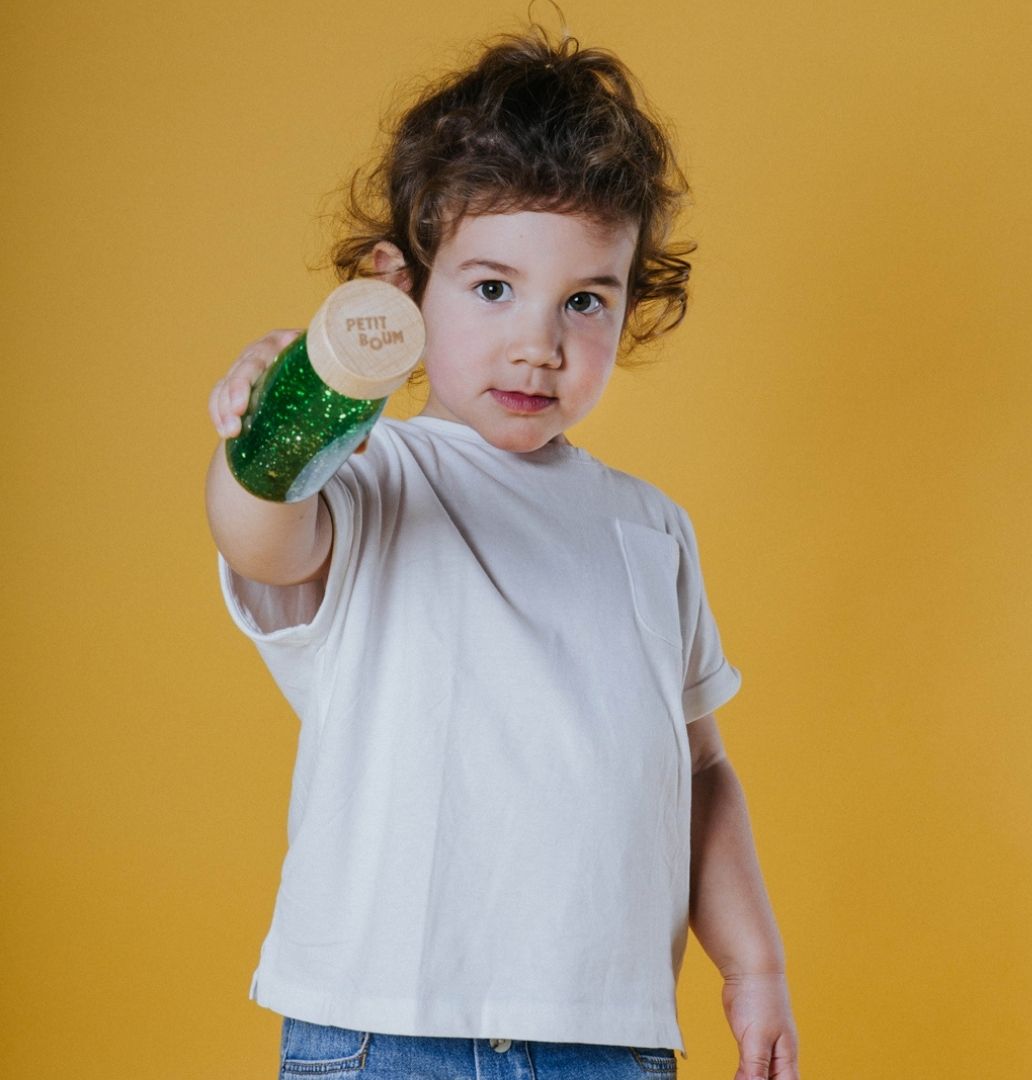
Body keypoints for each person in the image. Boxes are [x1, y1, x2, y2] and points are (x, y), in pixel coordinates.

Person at [206, 21, 799, 1080]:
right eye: (492, 289)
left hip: (608, 1042)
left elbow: (702, 770)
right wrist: (288, 419)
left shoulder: (650, 529)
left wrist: (753, 967)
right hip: (386, 1031)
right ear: (399, 289)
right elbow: (262, 537)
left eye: (585, 301)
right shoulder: (375, 478)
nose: (540, 343)